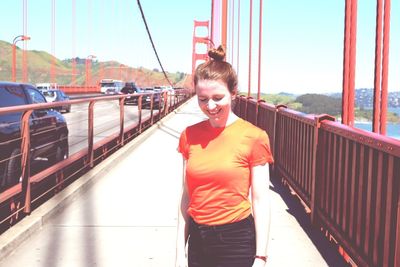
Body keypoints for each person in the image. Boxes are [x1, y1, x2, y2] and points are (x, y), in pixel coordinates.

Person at [175, 45, 274, 267]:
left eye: (218, 97)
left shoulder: (254, 137)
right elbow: (186, 198)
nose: (210, 106)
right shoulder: (189, 136)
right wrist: (179, 253)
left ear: (233, 93)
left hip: (236, 240)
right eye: (202, 99)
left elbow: (260, 201)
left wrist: (261, 256)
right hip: (198, 241)